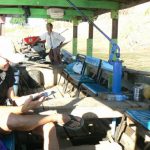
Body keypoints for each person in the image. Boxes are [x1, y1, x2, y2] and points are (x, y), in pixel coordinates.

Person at [0, 42, 83, 150]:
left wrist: (34, 98)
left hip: (8, 111)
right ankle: (55, 117)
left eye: (9, 59)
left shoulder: (8, 71)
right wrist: (20, 109)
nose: (8, 62)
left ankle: (53, 118)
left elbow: (13, 98)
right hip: (5, 117)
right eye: (5, 59)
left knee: (49, 127)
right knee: (11, 119)